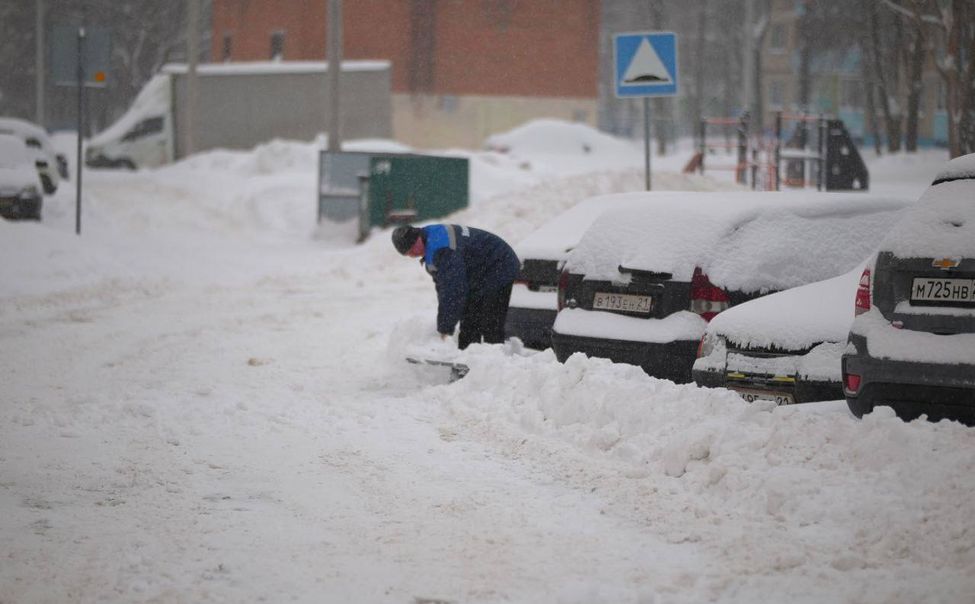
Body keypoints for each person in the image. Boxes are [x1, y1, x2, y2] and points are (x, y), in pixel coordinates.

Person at [392, 223, 520, 350]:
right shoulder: (431, 243)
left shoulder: (441, 248)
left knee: (491, 322)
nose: (413, 254)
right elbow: (444, 288)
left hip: (500, 265)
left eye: (413, 248)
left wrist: (445, 328)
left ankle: (493, 362)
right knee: (469, 320)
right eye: (408, 254)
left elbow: (453, 289)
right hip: (478, 271)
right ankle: (467, 359)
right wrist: (446, 319)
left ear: (417, 237)